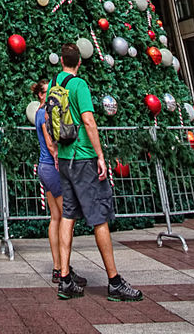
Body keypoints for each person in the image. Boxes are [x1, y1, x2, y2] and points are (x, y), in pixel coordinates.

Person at [53, 43, 143, 303]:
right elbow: (89, 121)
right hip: (83, 158)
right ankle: (114, 281)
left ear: (61, 61)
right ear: (78, 62)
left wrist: (58, 152)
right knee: (99, 216)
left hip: (66, 160)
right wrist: (100, 155)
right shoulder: (79, 85)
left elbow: (49, 119)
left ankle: (65, 277)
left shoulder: (53, 85)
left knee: (68, 215)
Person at [30, 81, 84, 287]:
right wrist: (59, 159)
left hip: (44, 169)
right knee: (66, 219)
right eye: (48, 91)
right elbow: (51, 141)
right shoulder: (44, 113)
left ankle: (58, 267)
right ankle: (64, 271)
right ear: (42, 95)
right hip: (51, 168)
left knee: (56, 218)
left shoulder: (38, 113)